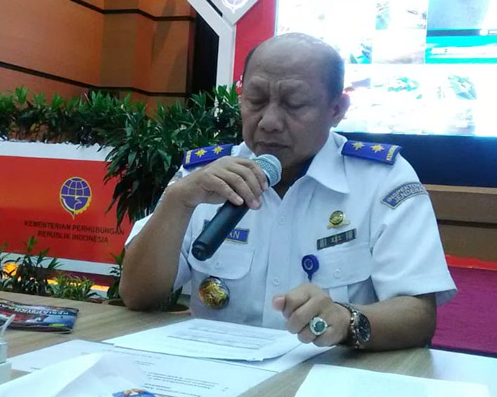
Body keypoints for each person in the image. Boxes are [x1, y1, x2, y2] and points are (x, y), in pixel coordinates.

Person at [119, 33, 456, 351]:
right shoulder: (202, 177)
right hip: (220, 372)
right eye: (255, 100)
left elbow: (418, 315)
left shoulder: (381, 180)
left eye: (294, 104)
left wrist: (347, 320)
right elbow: (137, 295)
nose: (269, 121)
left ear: (337, 109)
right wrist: (178, 201)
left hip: (329, 373)